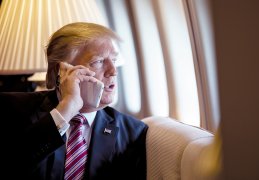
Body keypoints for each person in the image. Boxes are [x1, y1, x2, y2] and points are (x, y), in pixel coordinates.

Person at [0, 22, 148, 180]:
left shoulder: (134, 131)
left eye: (114, 60)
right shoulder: (11, 107)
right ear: (62, 70)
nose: (113, 71)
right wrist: (66, 109)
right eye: (98, 61)